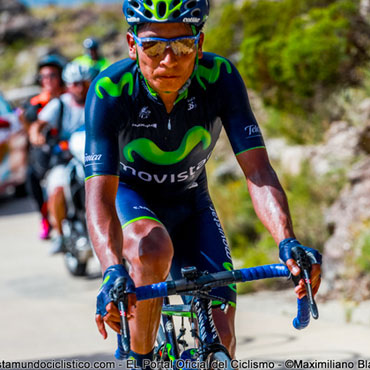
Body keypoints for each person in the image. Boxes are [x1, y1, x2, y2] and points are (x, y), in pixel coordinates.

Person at [84, 0, 322, 367]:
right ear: (132, 45)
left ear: (200, 43)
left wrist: (287, 241)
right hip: (132, 199)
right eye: (152, 46)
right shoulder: (110, 91)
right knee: (152, 249)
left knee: (223, 339)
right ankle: (142, 359)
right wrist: (112, 271)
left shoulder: (220, 78)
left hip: (192, 202)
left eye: (181, 45)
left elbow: (258, 172)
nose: (168, 60)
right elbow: (99, 198)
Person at [29, 62, 94, 254]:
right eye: (75, 84)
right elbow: (37, 125)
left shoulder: (97, 100)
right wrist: (37, 136)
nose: (80, 88)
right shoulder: (60, 104)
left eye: (83, 83)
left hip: (95, 155)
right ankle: (60, 235)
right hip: (65, 157)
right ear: (68, 84)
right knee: (57, 188)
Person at [20, 54, 67, 240]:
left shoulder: (70, 97)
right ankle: (45, 218)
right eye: (44, 77)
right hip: (45, 151)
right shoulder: (34, 103)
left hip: (66, 149)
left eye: (52, 76)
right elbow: (28, 124)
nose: (47, 80)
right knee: (31, 177)